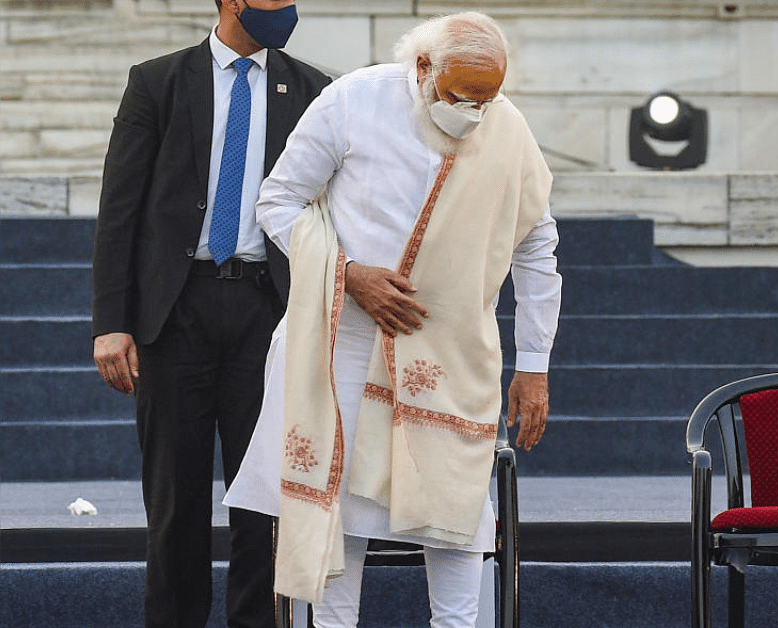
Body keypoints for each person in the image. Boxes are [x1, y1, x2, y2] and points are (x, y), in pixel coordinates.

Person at [222, 11, 561, 628]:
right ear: (424, 67)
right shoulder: (355, 100)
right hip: (344, 346)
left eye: (488, 99)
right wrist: (348, 274)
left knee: (456, 524)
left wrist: (533, 365)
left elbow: (537, 246)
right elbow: (278, 201)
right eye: (461, 97)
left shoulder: (505, 129)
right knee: (341, 522)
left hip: (453, 356)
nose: (474, 114)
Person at [90, 1, 328, 626]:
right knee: (175, 507)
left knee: (262, 506)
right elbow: (120, 207)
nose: (285, 8)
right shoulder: (158, 82)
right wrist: (111, 322)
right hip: (176, 313)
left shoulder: (313, 90)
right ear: (229, 2)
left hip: (267, 312)